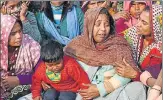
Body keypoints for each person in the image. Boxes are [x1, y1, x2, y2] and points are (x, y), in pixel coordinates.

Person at [64, 7, 146, 100]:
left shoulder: (119, 45)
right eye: (97, 24)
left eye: (106, 24)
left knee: (137, 88)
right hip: (82, 92)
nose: (103, 29)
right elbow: (58, 65)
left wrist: (101, 89)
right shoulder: (76, 45)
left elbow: (127, 73)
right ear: (89, 25)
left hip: (110, 93)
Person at [116, 5, 162, 83]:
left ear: (156, 27)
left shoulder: (159, 49)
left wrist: (135, 74)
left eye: (144, 23)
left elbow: (154, 80)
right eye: (139, 19)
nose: (138, 24)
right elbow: (116, 42)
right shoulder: (133, 32)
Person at [0, 14, 40, 100]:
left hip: (26, 89)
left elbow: (42, 75)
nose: (19, 36)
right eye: (13, 34)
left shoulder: (30, 45)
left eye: (20, 31)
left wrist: (19, 80)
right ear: (3, 33)